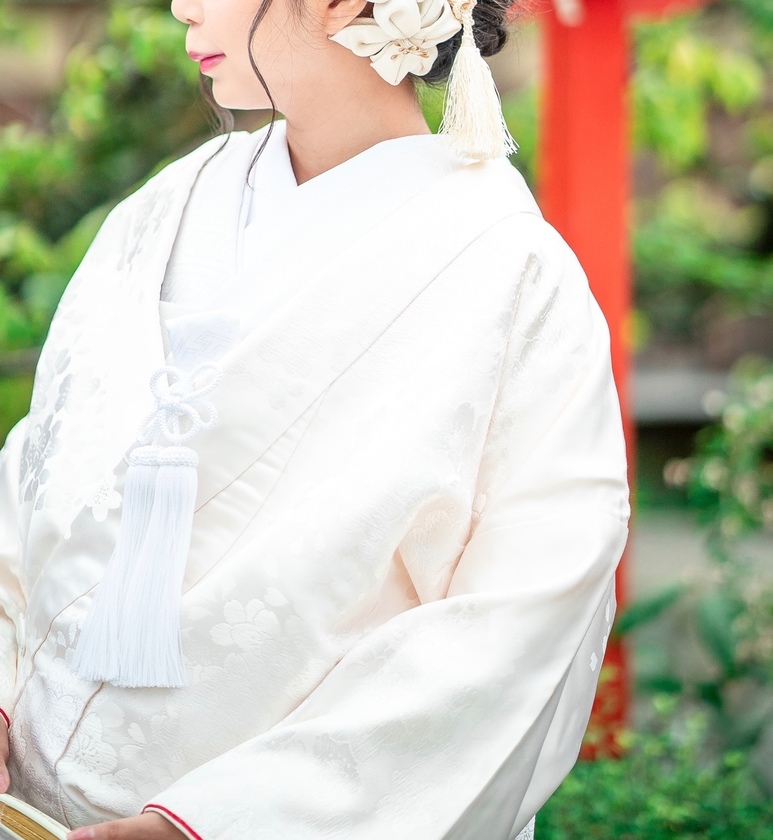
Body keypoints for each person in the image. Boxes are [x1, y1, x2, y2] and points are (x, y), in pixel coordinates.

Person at [0, 0, 631, 835]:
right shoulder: (162, 212)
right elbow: (33, 475)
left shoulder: (513, 276)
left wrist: (214, 822)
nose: (182, 4)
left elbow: (517, 620)